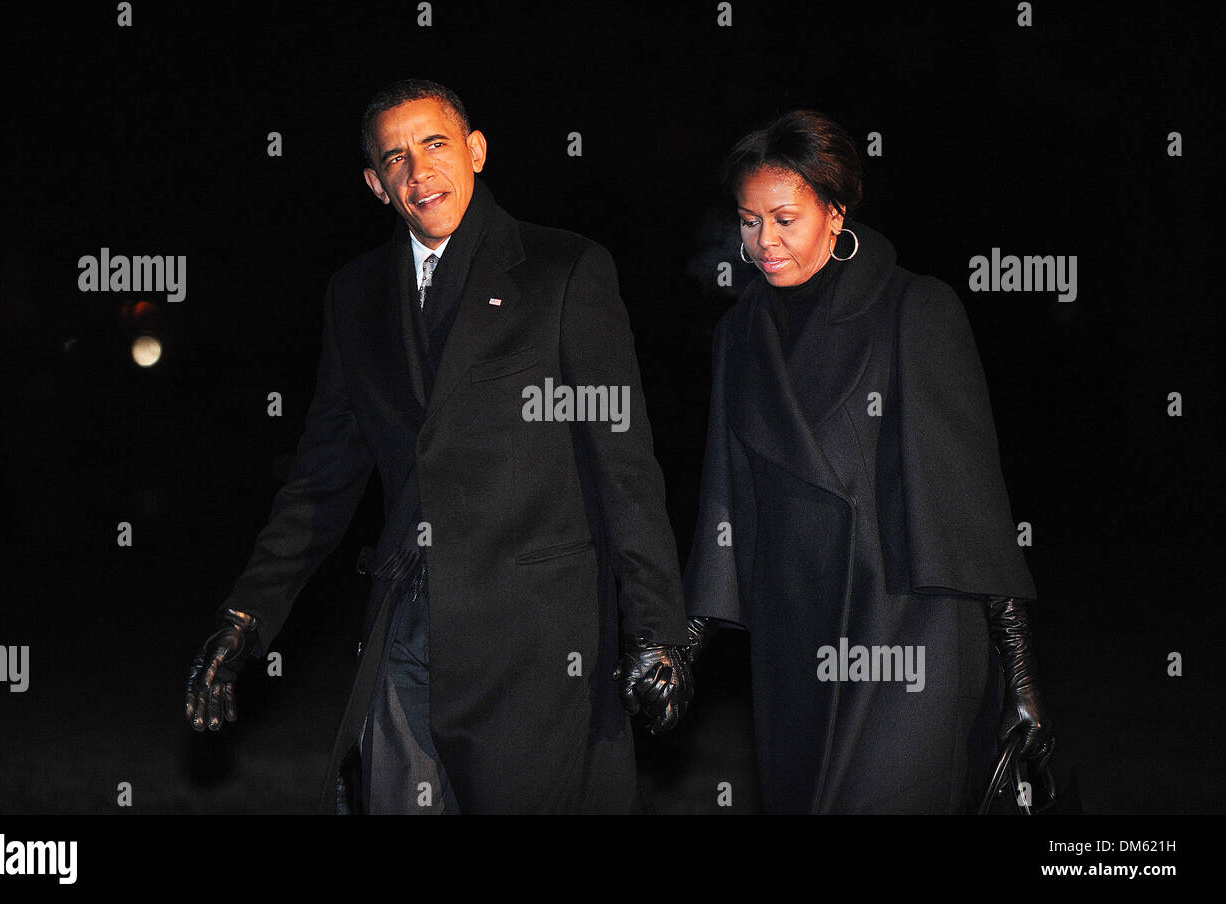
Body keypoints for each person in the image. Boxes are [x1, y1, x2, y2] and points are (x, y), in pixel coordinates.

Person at [184, 79, 693, 814]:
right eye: (395, 158)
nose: (419, 171)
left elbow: (625, 468)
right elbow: (321, 481)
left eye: (434, 145)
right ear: (376, 184)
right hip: (406, 627)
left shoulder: (564, 271)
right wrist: (246, 617)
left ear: (476, 150)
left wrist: (658, 630)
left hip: (537, 642)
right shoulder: (354, 297)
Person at [683, 110, 1054, 813]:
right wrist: (687, 638)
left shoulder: (915, 309)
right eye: (748, 221)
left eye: (785, 219)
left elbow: (971, 501)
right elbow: (727, 497)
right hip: (795, 640)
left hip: (908, 625)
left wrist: (1021, 673)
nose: (764, 242)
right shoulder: (739, 336)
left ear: (835, 212)